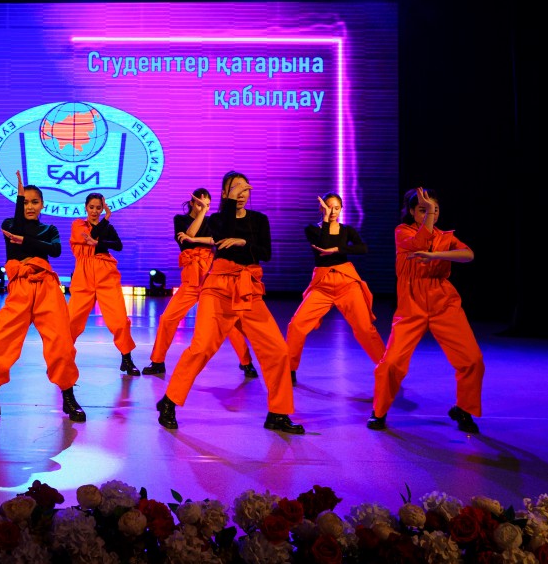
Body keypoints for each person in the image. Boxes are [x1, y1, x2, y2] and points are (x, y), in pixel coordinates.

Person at [155, 171, 304, 434]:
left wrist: (244, 242)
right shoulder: (218, 219)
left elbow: (265, 253)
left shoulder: (259, 219)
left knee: (278, 350)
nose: (241, 193)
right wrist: (228, 207)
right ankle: (169, 401)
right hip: (218, 288)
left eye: (245, 188)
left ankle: (278, 413)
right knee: (201, 348)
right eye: (235, 188)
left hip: (248, 290)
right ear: (225, 193)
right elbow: (216, 232)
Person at [0, 170, 86, 422]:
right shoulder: (10, 225)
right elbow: (18, 233)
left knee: (61, 343)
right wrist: (19, 201)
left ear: (43, 204)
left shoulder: (50, 229)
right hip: (20, 287)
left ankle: (68, 397)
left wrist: (27, 242)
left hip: (46, 287)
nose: (30, 206)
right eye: (25, 202)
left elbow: (55, 250)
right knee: (1, 342)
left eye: (34, 201)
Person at [369, 187, 482, 433]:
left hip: (443, 301)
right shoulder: (403, 231)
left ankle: (464, 409)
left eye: (435, 210)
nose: (431, 214)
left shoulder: (445, 237)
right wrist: (430, 220)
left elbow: (468, 255)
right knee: (392, 363)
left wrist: (438, 255)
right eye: (424, 210)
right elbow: (420, 242)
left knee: (472, 359)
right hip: (412, 304)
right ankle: (379, 411)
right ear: (412, 211)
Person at [142, 187, 259, 380]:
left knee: (229, 324)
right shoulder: (180, 220)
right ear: (192, 203)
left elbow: (216, 240)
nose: (204, 207)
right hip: (191, 280)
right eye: (199, 204)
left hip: (212, 278)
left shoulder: (214, 222)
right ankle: (157, 361)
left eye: (207, 204)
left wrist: (195, 238)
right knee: (167, 318)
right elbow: (186, 240)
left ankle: (246, 363)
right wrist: (202, 214)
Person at [285, 193, 385, 385]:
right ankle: (289, 369)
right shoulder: (312, 229)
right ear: (321, 208)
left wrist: (339, 249)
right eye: (328, 207)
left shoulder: (346, 230)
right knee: (296, 325)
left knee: (365, 329)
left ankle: (387, 368)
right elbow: (322, 246)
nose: (332, 211)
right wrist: (325, 220)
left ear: (341, 209)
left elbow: (362, 248)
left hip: (346, 282)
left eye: (336, 208)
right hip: (322, 284)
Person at [66, 193, 141, 377]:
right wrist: (105, 221)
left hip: (106, 272)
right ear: (85, 207)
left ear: (102, 208)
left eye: (98, 208)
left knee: (119, 319)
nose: (94, 211)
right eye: (91, 207)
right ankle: (63, 357)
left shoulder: (107, 227)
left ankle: (126, 358)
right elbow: (90, 237)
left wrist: (100, 240)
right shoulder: (78, 224)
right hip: (84, 274)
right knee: (72, 319)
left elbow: (118, 245)